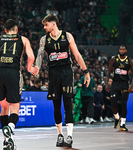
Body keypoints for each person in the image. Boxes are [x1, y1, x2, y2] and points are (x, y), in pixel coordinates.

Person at [33, 14, 90, 148]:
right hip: (53, 74)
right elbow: (40, 55)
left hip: (66, 72)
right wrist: (36, 67)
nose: (44, 27)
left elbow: (76, 55)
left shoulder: (67, 36)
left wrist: (86, 71)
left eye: (46, 24)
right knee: (56, 105)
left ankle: (69, 136)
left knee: (68, 103)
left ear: (53, 24)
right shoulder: (44, 39)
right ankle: (60, 135)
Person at [0, 19, 36, 150]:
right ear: (16, 29)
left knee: (3, 107)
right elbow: (31, 57)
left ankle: (7, 140)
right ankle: (11, 127)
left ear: (5, 30)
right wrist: (29, 68)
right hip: (13, 71)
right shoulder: (23, 39)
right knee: (15, 105)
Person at [106, 44, 133, 131]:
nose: (122, 50)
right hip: (115, 83)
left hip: (124, 84)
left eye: (123, 49)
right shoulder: (114, 59)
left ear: (126, 51)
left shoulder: (130, 60)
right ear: (119, 50)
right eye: (120, 49)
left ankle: (123, 124)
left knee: (124, 103)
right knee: (113, 102)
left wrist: (131, 85)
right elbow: (108, 71)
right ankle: (116, 117)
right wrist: (107, 83)